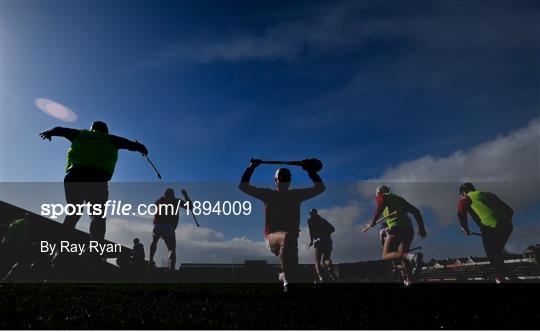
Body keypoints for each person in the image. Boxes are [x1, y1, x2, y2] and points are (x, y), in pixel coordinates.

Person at [40, 121, 148, 241]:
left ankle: (60, 250)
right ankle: (94, 251)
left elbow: (59, 129)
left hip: (74, 177)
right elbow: (132, 145)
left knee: (74, 212)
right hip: (97, 180)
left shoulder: (80, 134)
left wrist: (49, 132)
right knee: (97, 217)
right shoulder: (112, 139)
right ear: (106, 131)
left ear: (92, 129)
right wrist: (141, 148)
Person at [239, 159, 325, 292]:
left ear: (290, 180)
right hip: (273, 238)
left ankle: (283, 276)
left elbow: (320, 188)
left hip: (291, 242)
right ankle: (287, 283)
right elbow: (243, 187)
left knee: (292, 267)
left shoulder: (296, 195)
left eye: (287, 177)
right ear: (276, 180)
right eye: (281, 177)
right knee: (287, 238)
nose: (284, 179)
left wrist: (311, 172)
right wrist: (251, 168)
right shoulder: (268, 194)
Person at [368, 185, 427, 286]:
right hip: (408, 229)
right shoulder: (399, 198)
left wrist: (373, 222)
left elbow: (379, 207)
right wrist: (421, 228)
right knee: (403, 257)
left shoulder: (382, 196)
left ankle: (413, 257)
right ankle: (409, 281)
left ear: (379, 193)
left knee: (385, 255)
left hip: (396, 229)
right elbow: (416, 211)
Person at [457, 183, 514, 284]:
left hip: (489, 228)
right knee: (497, 252)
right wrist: (502, 222)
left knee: (492, 255)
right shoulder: (488, 194)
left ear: (463, 192)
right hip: (507, 226)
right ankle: (506, 275)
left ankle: (502, 277)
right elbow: (510, 211)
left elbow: (461, 212)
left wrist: (465, 229)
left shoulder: (465, 197)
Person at [149, 188, 190, 271]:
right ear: (173, 194)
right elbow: (190, 206)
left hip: (158, 225)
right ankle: (171, 269)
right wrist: (186, 196)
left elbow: (155, 204)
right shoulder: (175, 201)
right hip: (168, 226)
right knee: (171, 249)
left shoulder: (159, 200)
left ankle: (151, 260)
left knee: (154, 241)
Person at [307, 208, 337, 282]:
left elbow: (311, 231)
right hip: (328, 241)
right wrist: (325, 233)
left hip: (318, 241)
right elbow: (333, 229)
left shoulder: (310, 220)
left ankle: (320, 277)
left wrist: (311, 240)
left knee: (317, 261)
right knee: (326, 260)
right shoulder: (323, 220)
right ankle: (329, 267)